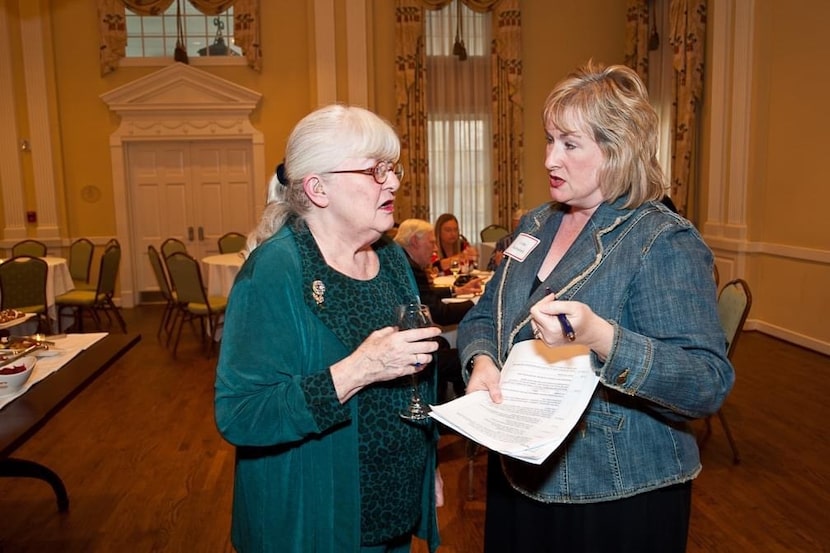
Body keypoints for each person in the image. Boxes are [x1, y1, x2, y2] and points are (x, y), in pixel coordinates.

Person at [457, 61, 734, 553]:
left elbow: (705, 382)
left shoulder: (661, 240)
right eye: (549, 140)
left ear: (617, 151)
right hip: (518, 468)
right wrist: (480, 360)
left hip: (614, 491)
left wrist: (602, 337)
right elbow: (485, 313)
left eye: (569, 144)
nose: (549, 159)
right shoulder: (535, 224)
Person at [215, 104, 443, 553]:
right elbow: (241, 414)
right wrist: (359, 370)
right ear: (318, 188)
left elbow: (412, 380)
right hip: (313, 520)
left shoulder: (391, 258)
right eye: (374, 171)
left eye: (392, 168)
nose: (393, 181)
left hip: (391, 506)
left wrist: (427, 463)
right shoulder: (277, 270)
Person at [395, 218, 481, 399]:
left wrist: (456, 290)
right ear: (415, 242)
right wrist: (477, 303)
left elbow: (424, 291)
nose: (435, 249)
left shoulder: (401, 261)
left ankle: (440, 400)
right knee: (468, 357)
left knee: (442, 343)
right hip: (405, 350)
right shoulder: (408, 267)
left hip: (404, 340)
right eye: (431, 242)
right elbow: (440, 314)